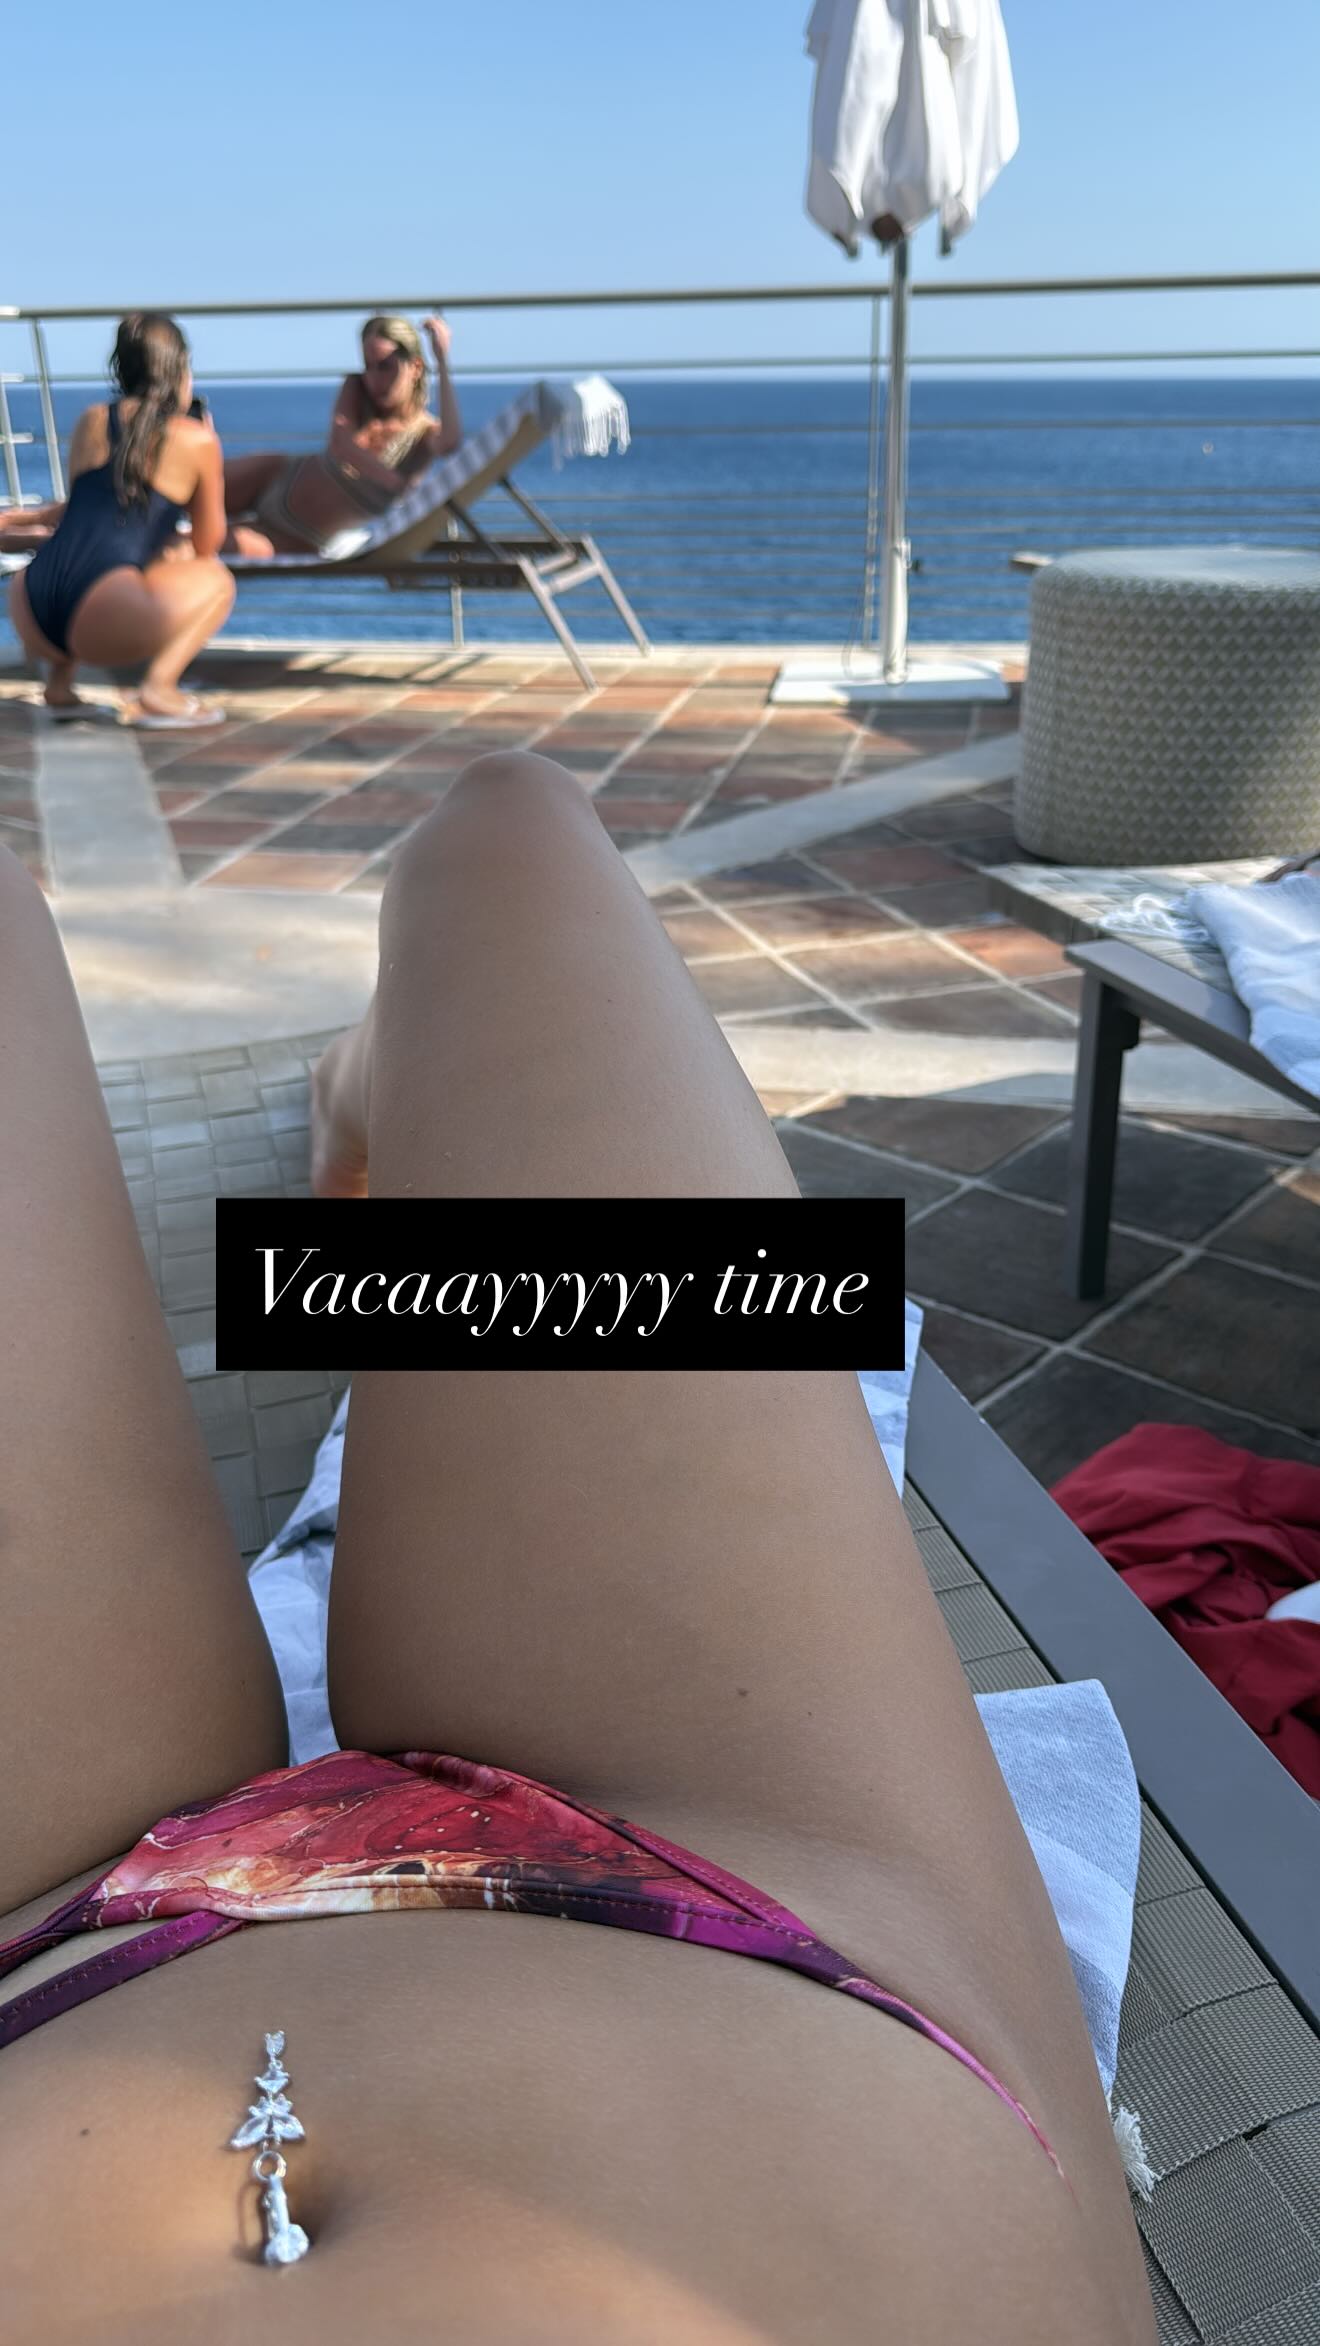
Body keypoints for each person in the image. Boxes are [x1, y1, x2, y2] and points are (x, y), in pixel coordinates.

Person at [0, 754, 1158, 2343]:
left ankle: (369, 1114)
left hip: (34, 1953)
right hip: (778, 1941)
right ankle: (368, 1092)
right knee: (513, 825)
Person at [5, 313, 234, 728]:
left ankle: (59, 686)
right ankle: (159, 690)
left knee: (97, 549)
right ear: (179, 369)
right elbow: (208, 542)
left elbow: (81, 516)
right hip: (101, 617)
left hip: (30, 603)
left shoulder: (92, 420)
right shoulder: (196, 440)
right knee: (217, 580)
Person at [223, 314, 463, 556]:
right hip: (274, 477)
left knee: (210, 543)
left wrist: (442, 358)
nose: (374, 379)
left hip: (296, 538)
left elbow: (450, 442)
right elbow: (341, 444)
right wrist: (395, 483)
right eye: (368, 366)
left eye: (385, 367)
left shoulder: (423, 433)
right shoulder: (357, 389)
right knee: (199, 490)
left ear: (416, 367)